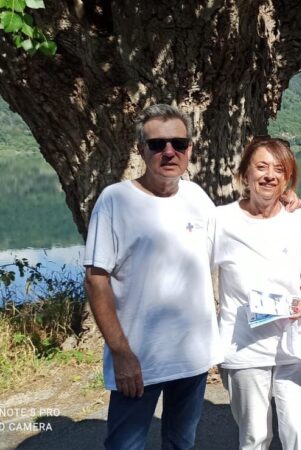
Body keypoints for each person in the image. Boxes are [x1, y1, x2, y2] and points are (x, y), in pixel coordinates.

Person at [84, 104, 223, 449]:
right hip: (139, 361)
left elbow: (236, 238)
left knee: (182, 443)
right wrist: (120, 353)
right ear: (140, 149)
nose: (169, 152)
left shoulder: (198, 197)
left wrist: (284, 202)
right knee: (125, 446)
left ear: (190, 148)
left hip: (192, 357)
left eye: (179, 143)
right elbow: (95, 280)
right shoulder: (115, 201)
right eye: (157, 144)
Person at [208, 137, 301, 450]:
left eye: (279, 170)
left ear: (287, 179)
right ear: (244, 175)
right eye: (261, 167)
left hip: (293, 341)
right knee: (255, 437)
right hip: (244, 343)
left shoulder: (297, 219)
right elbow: (194, 274)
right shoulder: (221, 220)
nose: (269, 175)